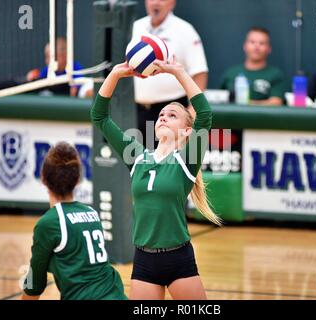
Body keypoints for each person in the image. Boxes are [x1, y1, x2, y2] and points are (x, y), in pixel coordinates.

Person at [91, 58, 222, 300]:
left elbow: (204, 114)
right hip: (144, 260)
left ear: (186, 131)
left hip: (178, 259)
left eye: (172, 115)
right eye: (161, 114)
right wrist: (115, 75)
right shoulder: (137, 157)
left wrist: (179, 72)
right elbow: (99, 117)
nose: (162, 117)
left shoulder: (186, 160)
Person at [21, 142, 126, 300]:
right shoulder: (92, 213)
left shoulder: (49, 223)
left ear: (43, 179)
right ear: (77, 180)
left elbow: (34, 283)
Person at [132, 0, 208, 149]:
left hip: (171, 111)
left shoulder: (185, 30)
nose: (156, 3)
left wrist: (192, 112)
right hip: (136, 111)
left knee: (169, 165)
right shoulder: (135, 27)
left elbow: (199, 72)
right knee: (137, 165)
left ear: (172, 3)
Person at [220, 26, 286, 106]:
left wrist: (245, 103)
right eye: (252, 42)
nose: (256, 46)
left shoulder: (275, 75)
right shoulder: (231, 73)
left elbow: (276, 102)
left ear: (269, 49)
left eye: (262, 43)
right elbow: (219, 100)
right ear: (245, 46)